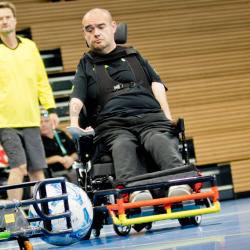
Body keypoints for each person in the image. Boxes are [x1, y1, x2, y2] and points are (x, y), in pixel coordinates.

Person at [69, 8, 197, 198]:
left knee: (158, 139)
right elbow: (77, 97)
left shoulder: (134, 55)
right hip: (113, 125)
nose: (95, 33)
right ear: (84, 34)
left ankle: (180, 182)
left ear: (114, 27)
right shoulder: (86, 64)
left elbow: (157, 84)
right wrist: (73, 122)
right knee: (123, 145)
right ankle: (135, 190)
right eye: (89, 29)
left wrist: (167, 116)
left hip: (150, 117)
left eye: (101, 27)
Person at [0, 1, 59, 200]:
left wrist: (51, 109)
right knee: (19, 167)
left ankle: (45, 213)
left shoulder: (30, 47)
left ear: (15, 20)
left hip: (31, 119)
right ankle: (11, 215)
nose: (4, 21)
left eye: (7, 17)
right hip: (5, 121)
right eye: (0, 18)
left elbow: (42, 80)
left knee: (37, 170)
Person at [40, 110, 78, 183]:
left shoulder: (60, 133)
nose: (43, 124)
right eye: (40, 122)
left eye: (46, 121)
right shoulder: (37, 140)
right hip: (53, 174)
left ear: (52, 123)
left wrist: (71, 158)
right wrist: (58, 159)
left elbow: (76, 151)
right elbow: (38, 162)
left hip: (71, 169)